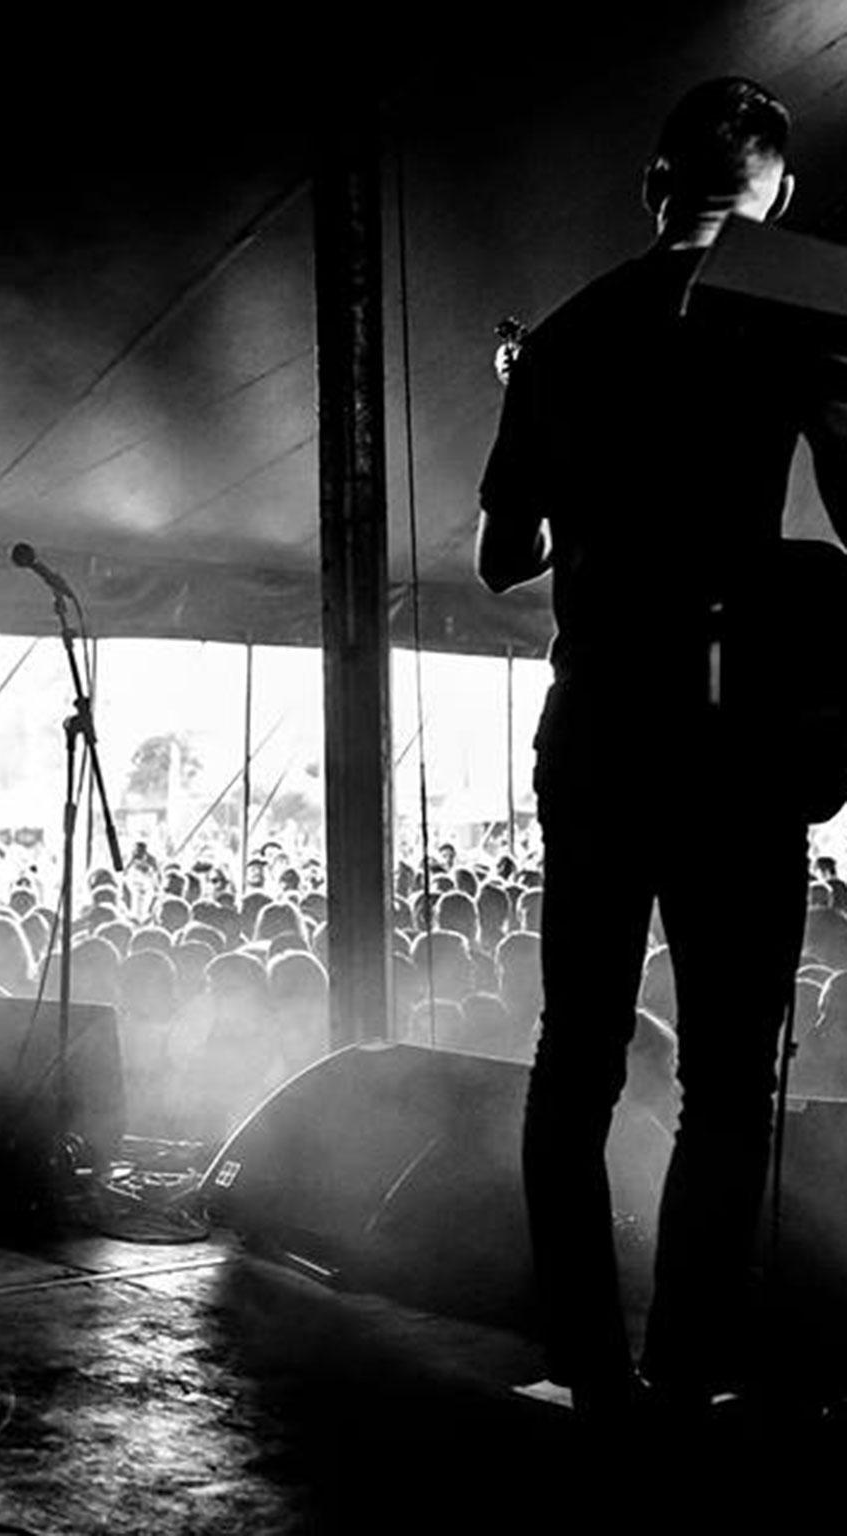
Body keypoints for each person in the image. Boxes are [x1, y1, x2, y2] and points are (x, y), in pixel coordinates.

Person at [477, 78, 847, 1419]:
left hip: (595, 725)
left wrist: (542, 418)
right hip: (733, 731)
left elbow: (503, 558)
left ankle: (584, 1365)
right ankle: (687, 1369)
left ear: (651, 184)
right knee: (728, 1074)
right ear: (782, 199)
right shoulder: (790, 322)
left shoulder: (568, 336)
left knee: (574, 1057)